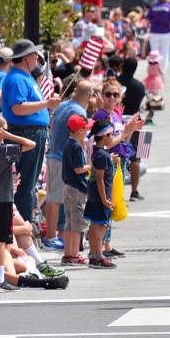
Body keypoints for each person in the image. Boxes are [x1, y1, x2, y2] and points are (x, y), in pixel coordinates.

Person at [0, 39, 60, 224]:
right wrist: (46, 104)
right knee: (26, 183)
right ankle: (23, 225)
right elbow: (18, 108)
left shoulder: (23, 77)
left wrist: (45, 108)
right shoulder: (17, 78)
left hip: (32, 132)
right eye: (34, 54)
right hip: (26, 133)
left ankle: (24, 224)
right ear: (26, 57)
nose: (37, 58)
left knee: (28, 182)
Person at [43, 80, 94, 252]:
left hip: (54, 154)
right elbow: (81, 137)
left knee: (56, 198)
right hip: (61, 158)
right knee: (55, 199)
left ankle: (55, 236)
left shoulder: (64, 105)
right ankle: (50, 237)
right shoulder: (79, 111)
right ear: (89, 95)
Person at [0, 117, 37, 291]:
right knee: (1, 242)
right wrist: (9, 135)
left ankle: (2, 277)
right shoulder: (5, 150)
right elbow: (31, 144)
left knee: (2, 242)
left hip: (4, 197)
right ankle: (1, 279)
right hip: (3, 199)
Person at [85, 120, 117, 269]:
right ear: (104, 137)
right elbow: (99, 179)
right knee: (101, 226)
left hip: (94, 196)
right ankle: (98, 255)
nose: (113, 137)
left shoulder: (99, 153)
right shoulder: (102, 155)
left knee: (94, 225)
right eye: (111, 134)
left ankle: (93, 253)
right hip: (100, 197)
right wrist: (105, 199)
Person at [61, 113, 93, 267]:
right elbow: (79, 169)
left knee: (68, 222)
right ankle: (75, 254)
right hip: (77, 188)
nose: (86, 131)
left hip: (67, 187)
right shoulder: (75, 146)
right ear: (78, 130)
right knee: (77, 224)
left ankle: (68, 253)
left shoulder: (69, 143)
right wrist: (91, 165)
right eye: (84, 129)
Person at [147, 0, 170, 74]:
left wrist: (148, 31)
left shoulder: (153, 6)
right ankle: (163, 71)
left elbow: (148, 20)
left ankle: (153, 71)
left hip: (154, 32)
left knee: (153, 52)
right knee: (165, 53)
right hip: (166, 33)